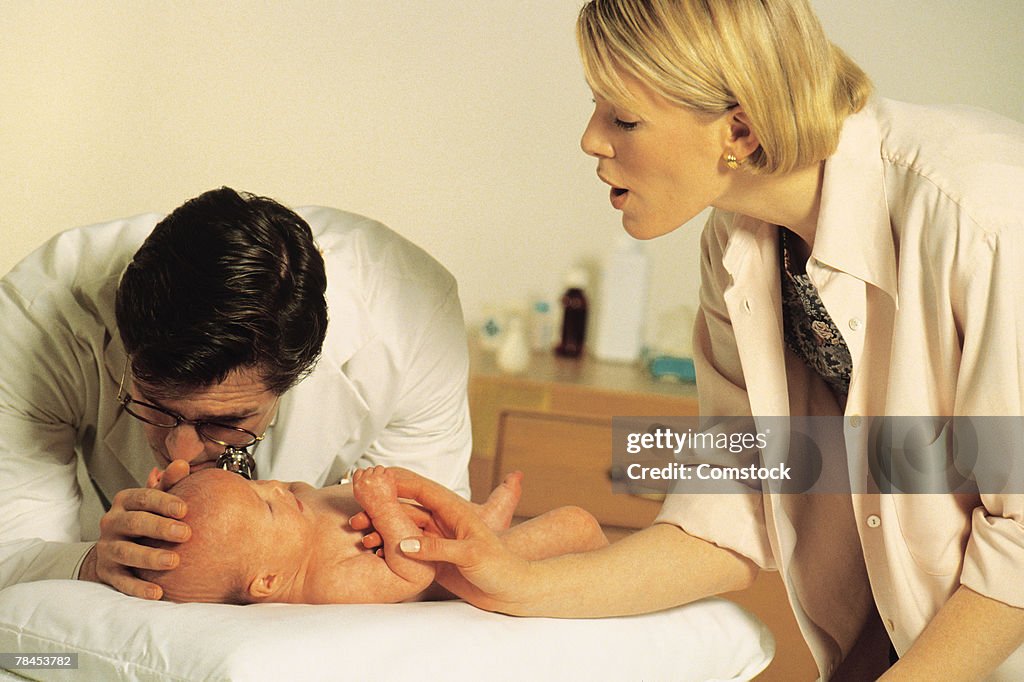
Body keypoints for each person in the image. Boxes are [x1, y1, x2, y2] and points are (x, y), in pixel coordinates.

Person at [381, 1, 1024, 679]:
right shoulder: (740, 240)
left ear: (740, 129)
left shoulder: (982, 219)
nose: (591, 140)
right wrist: (520, 582)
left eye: (623, 118)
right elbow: (739, 502)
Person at [0, 187, 473, 601]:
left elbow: (435, 547)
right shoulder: (33, 321)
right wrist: (93, 563)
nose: (179, 453)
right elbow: (10, 551)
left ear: (297, 374)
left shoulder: (412, 322)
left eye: (228, 420)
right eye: (152, 405)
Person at [138, 467, 607, 605]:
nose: (276, 487)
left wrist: (183, 487)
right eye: (266, 503)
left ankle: (479, 519)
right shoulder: (323, 583)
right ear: (266, 582)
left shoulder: (291, 527)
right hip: (457, 567)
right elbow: (411, 575)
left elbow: (297, 489)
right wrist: (383, 508)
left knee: (465, 520)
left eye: (256, 484)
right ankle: (486, 532)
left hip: (430, 520)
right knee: (575, 522)